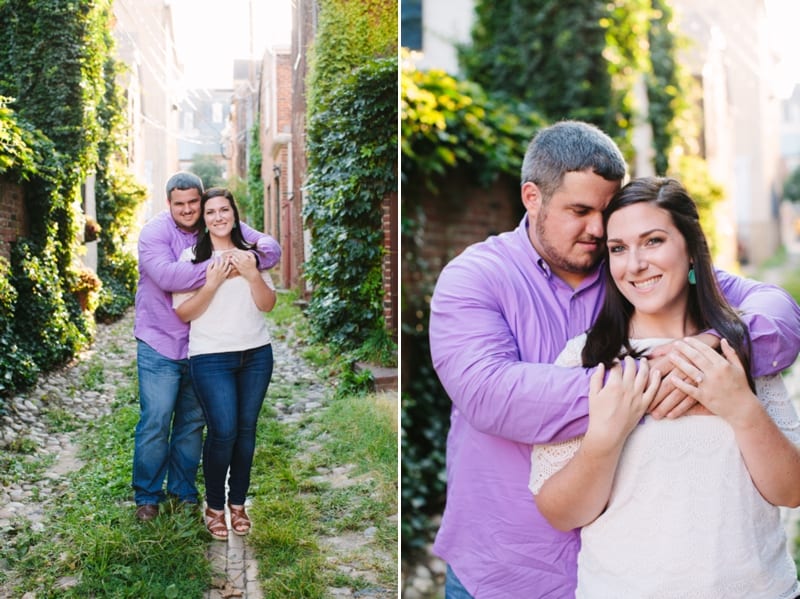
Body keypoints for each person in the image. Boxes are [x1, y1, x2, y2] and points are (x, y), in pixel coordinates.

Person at [428, 121, 800, 597]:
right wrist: (650, 383)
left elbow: (779, 313)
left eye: (607, 210)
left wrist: (724, 356)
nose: (599, 230)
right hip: (509, 569)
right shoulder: (475, 278)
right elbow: (491, 395)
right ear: (531, 197)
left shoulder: (633, 267)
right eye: (580, 210)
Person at [530, 177, 800, 597]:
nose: (633, 264)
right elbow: (561, 513)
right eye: (618, 249)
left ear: (691, 249)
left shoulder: (741, 350)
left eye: (652, 241)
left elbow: (792, 491)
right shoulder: (585, 359)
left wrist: (741, 410)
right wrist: (605, 439)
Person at [132, 172, 280, 522]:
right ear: (168, 204)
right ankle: (147, 497)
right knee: (156, 420)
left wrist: (251, 263)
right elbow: (168, 279)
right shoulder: (156, 233)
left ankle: (183, 493)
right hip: (162, 341)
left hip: (203, 348)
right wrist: (224, 268)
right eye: (179, 204)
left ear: (201, 201)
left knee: (192, 424)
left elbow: (269, 248)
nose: (187, 209)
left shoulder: (214, 225)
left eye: (193, 203)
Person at [173, 187, 277, 541]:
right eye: (211, 212)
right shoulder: (190, 257)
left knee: (246, 432)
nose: (218, 217)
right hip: (211, 356)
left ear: (235, 213)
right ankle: (215, 507)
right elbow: (185, 312)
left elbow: (267, 304)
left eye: (224, 210)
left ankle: (239, 504)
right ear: (203, 219)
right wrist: (212, 283)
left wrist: (251, 275)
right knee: (224, 431)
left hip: (256, 354)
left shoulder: (253, 255)